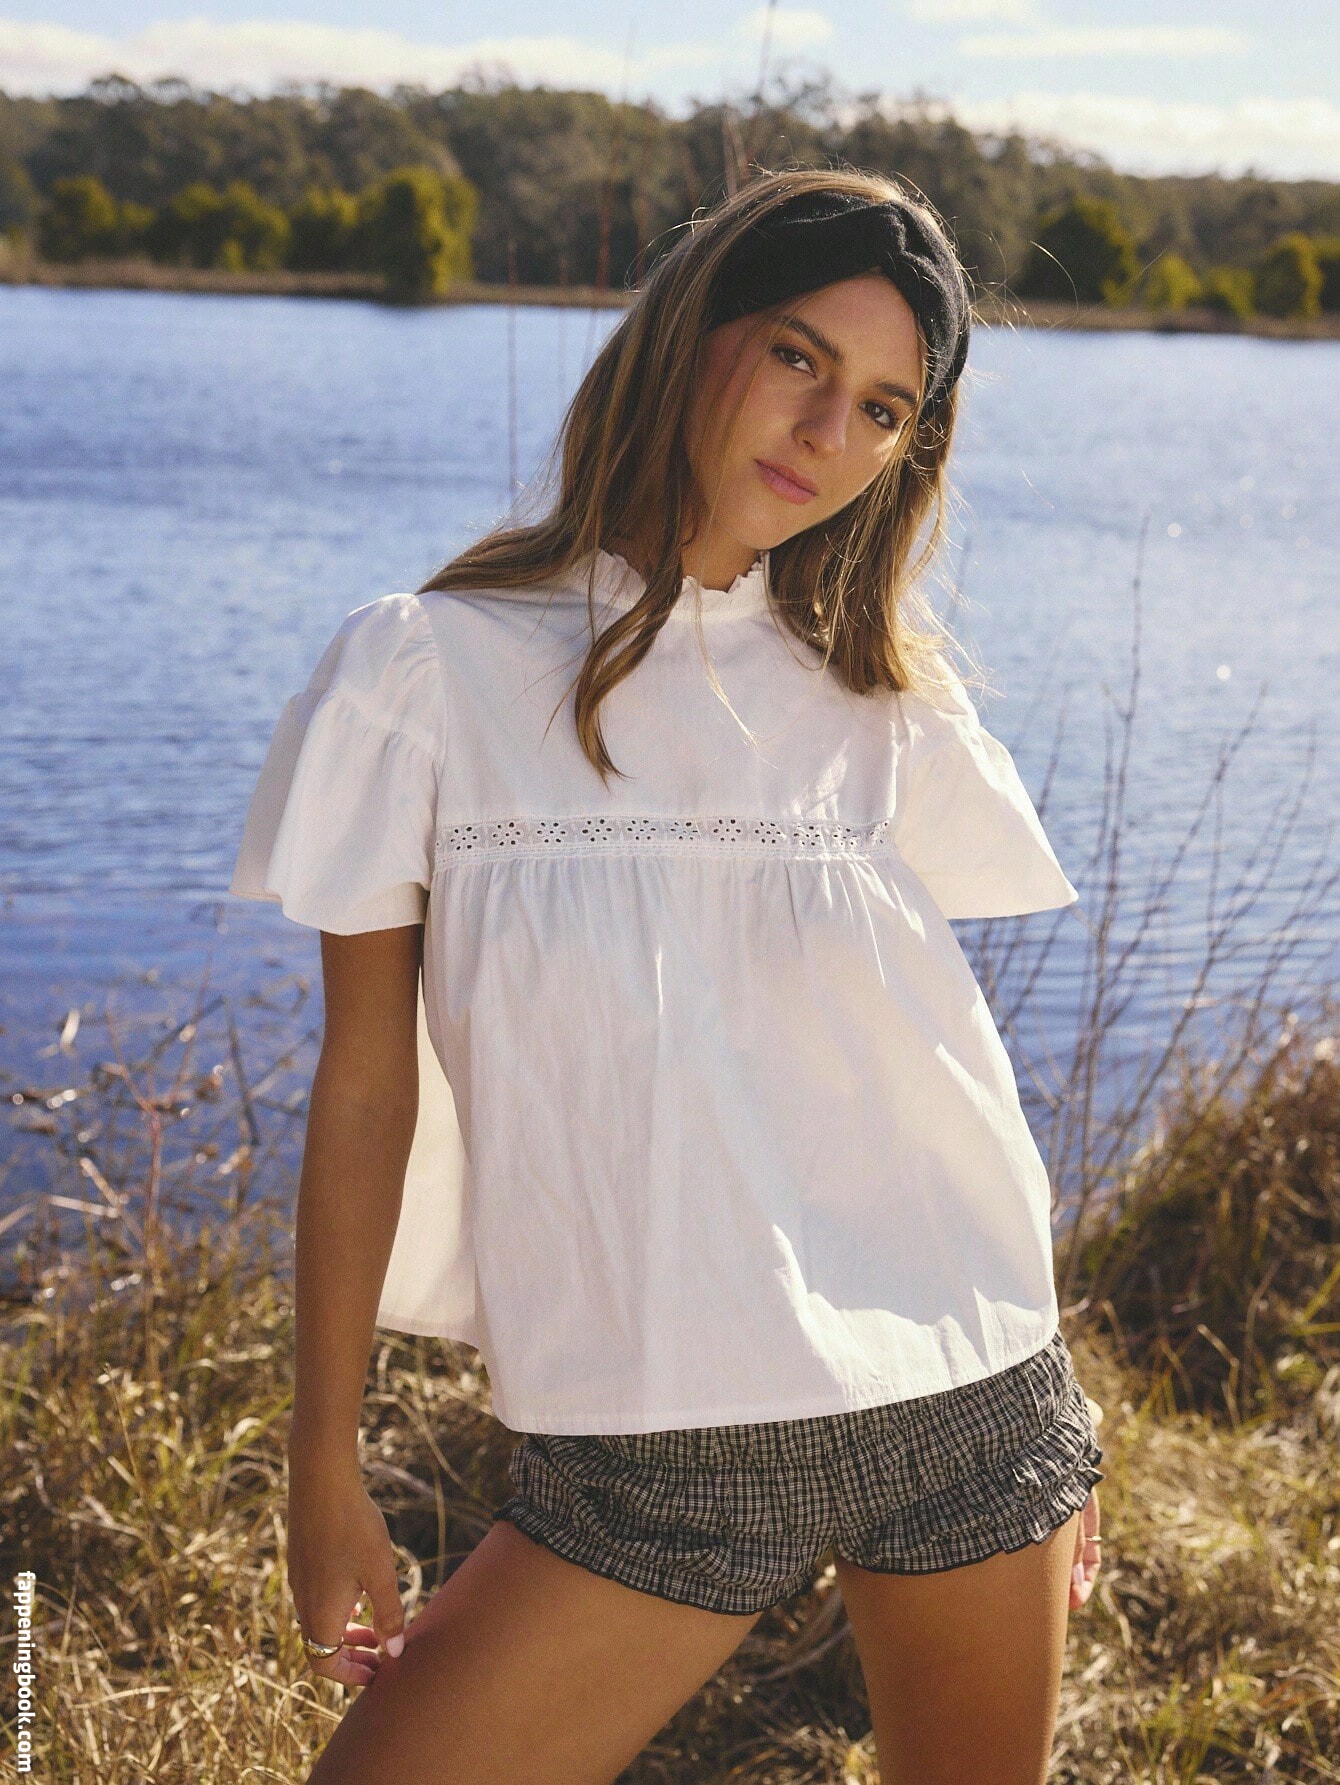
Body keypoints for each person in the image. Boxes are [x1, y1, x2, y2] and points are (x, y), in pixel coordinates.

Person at [229, 164, 1105, 1785]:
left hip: (969, 1403)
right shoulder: (429, 668)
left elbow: (944, 1085)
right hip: (657, 1449)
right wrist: (321, 1456)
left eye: (882, 409)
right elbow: (363, 1086)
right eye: (797, 358)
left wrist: (1049, 1410)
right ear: (696, 331)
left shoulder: (880, 706)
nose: (826, 431)